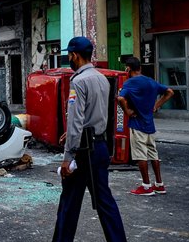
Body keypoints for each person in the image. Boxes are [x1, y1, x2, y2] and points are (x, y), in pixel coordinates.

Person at [53, 36, 126, 242]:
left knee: (69, 202)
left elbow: (76, 121)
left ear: (74, 55)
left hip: (84, 151)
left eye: (69, 55)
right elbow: (99, 114)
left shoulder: (78, 80)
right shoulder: (102, 78)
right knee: (105, 202)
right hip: (100, 146)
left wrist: (68, 157)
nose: (69, 58)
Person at [117, 57, 174, 196]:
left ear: (128, 69)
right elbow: (170, 92)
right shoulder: (151, 82)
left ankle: (146, 186)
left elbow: (120, 98)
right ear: (140, 68)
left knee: (140, 155)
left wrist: (128, 111)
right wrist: (156, 106)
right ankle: (159, 184)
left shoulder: (130, 82)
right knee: (153, 154)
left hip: (137, 125)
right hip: (150, 125)